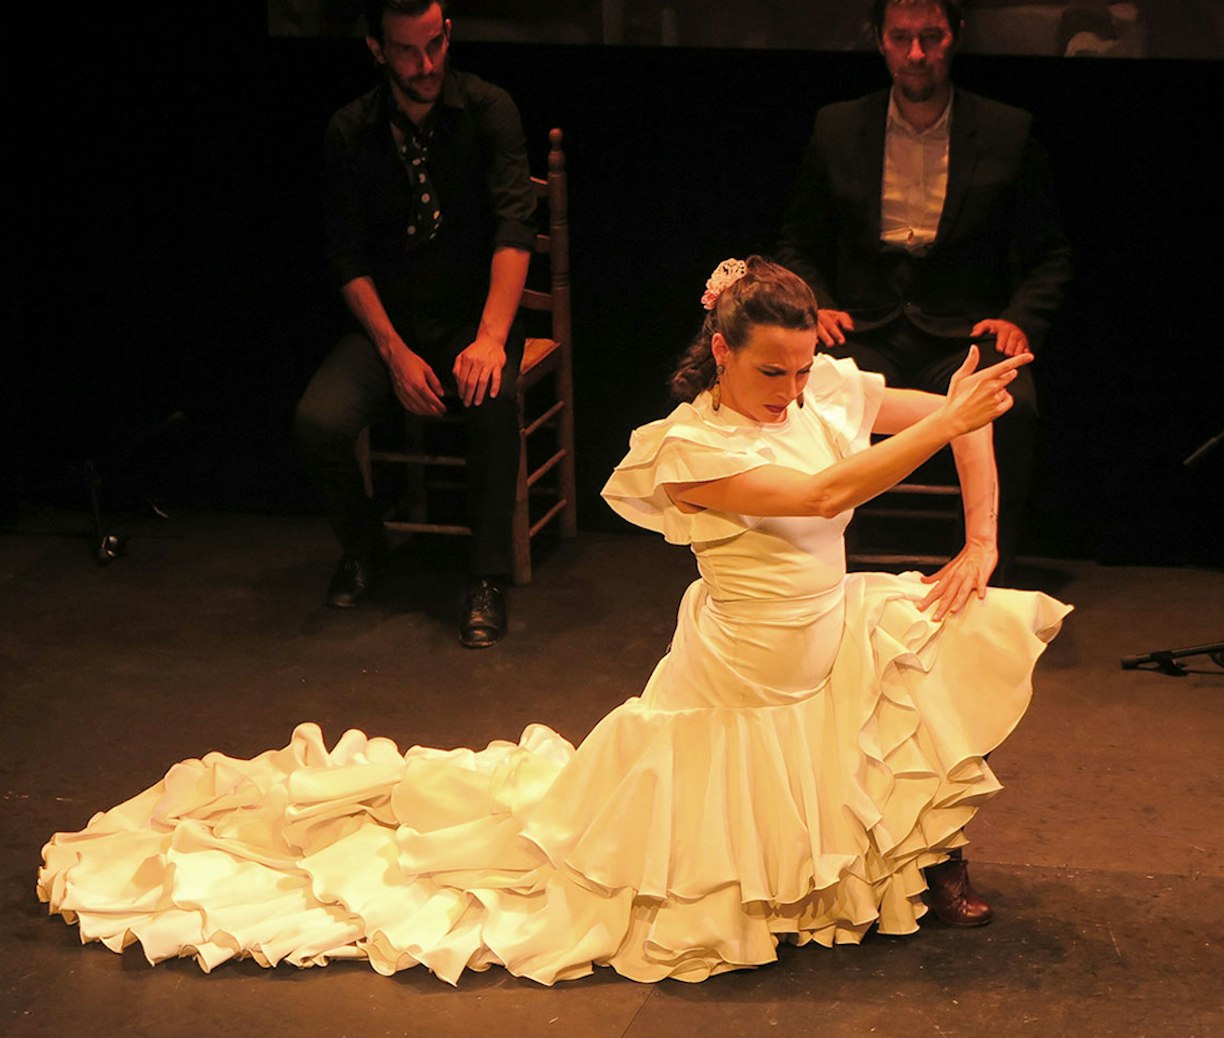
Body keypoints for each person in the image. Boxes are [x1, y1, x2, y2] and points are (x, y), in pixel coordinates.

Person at [38, 258, 1070, 986]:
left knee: (941, 631)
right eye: (771, 372)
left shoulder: (819, 391)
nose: (793, 392)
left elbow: (964, 408)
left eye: (803, 372)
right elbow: (821, 495)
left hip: (822, 633)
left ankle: (925, 861)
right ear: (719, 351)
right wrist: (945, 420)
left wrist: (980, 541)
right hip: (744, 670)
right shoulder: (687, 450)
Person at [776, 0, 1072, 578]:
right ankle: (820, 566)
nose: (917, 54)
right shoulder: (838, 126)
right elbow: (797, 240)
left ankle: (989, 565)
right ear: (880, 41)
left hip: (961, 329)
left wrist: (1020, 317)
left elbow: (1051, 252)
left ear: (955, 37)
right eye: (902, 37)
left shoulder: (1007, 129)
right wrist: (817, 305)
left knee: (1007, 400)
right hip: (865, 326)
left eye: (931, 37)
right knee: (807, 390)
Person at [292, 0, 536, 648]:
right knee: (318, 422)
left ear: (449, 33)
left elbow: (516, 227)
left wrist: (489, 339)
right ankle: (367, 547)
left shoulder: (490, 110)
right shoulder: (350, 130)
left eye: (435, 45)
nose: (425, 65)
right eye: (407, 50)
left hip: (470, 315)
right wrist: (394, 352)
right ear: (377, 49)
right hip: (391, 325)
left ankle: (486, 577)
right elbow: (346, 257)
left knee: (493, 397)